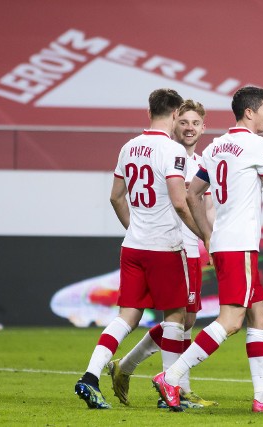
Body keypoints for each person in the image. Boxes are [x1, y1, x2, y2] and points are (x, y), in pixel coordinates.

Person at [151, 86, 263, 412]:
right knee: (232, 320)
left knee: (259, 314)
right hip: (239, 246)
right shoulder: (256, 145)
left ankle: (262, 397)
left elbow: (194, 194)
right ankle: (171, 375)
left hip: (225, 243)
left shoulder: (217, 145)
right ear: (249, 112)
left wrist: (208, 236)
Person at [75, 88, 209, 409]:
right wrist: (206, 236)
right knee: (176, 316)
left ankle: (90, 377)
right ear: (175, 114)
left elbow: (115, 197)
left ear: (149, 112)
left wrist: (135, 228)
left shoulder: (129, 147)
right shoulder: (172, 151)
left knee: (126, 318)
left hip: (133, 246)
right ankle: (169, 393)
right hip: (165, 248)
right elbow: (180, 202)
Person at [106, 99, 217, 409]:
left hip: (190, 248)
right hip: (169, 247)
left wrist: (209, 240)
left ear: (203, 127)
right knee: (178, 318)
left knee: (186, 319)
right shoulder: (166, 154)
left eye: (196, 123)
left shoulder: (200, 163)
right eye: (184, 122)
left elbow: (206, 207)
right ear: (174, 121)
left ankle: (127, 366)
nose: (189, 128)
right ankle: (176, 388)